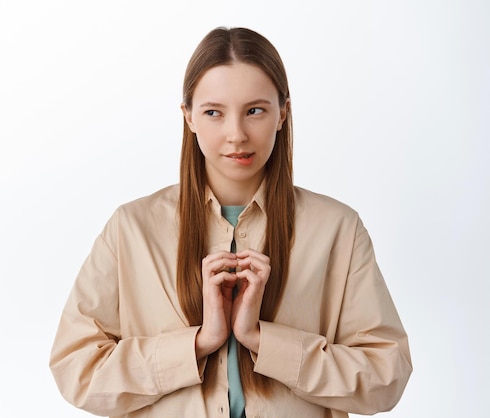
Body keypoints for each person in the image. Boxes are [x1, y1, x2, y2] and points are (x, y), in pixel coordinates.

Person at [49, 27, 412, 417]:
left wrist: (262, 340)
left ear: (282, 112)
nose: (236, 134)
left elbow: (385, 378)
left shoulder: (338, 230)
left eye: (255, 110)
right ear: (188, 116)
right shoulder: (130, 230)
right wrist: (199, 344)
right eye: (213, 112)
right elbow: (77, 370)